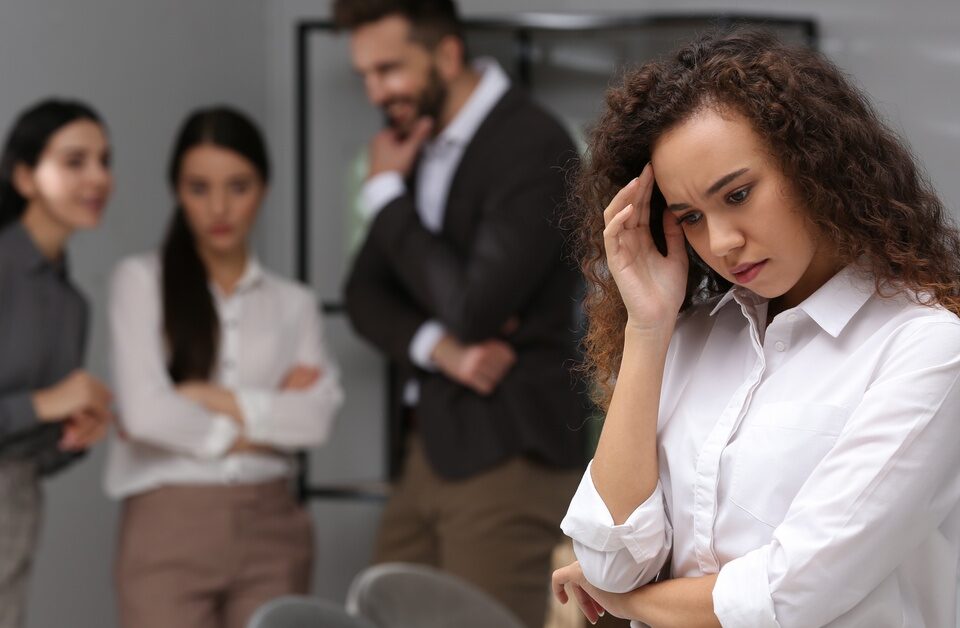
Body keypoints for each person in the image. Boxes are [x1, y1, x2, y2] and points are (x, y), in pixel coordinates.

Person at [550, 29, 960, 628]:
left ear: (815, 163)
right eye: (690, 217)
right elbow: (610, 560)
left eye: (738, 194)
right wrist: (647, 327)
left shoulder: (925, 350)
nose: (722, 242)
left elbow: (793, 592)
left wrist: (629, 605)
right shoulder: (686, 340)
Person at [333, 0, 589, 625]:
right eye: (365, 74)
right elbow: (364, 296)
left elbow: (473, 308)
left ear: (447, 54)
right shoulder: (416, 145)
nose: (376, 91)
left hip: (509, 450)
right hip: (426, 451)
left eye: (389, 69)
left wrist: (386, 194)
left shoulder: (534, 143)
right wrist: (440, 347)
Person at [105, 106, 343, 628]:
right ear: (176, 190)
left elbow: (317, 421)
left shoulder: (294, 303)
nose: (219, 207)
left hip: (273, 526)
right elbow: (144, 415)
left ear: (264, 187)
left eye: (238, 186)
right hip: (167, 524)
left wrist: (197, 396)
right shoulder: (140, 282)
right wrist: (265, 422)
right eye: (198, 187)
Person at [0, 99, 114, 628]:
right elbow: (36, 406)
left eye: (104, 161)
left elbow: (33, 454)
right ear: (25, 176)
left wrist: (73, 438)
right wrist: (47, 402)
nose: (98, 177)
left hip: (17, 514)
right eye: (75, 161)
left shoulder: (74, 306)